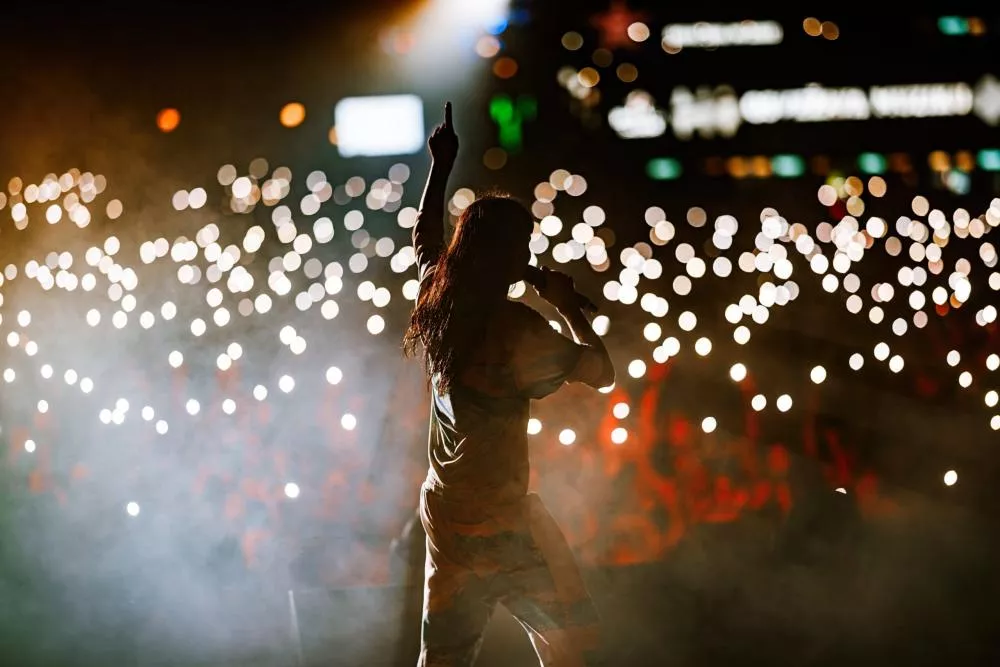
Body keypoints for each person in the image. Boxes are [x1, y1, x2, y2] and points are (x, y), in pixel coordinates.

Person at [402, 102, 616, 667]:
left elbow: (425, 238)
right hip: (501, 525)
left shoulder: (439, 304)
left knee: (444, 658)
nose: (528, 254)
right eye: (522, 245)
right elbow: (601, 373)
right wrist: (569, 306)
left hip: (448, 516)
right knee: (572, 642)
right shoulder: (518, 330)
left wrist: (440, 165)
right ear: (508, 254)